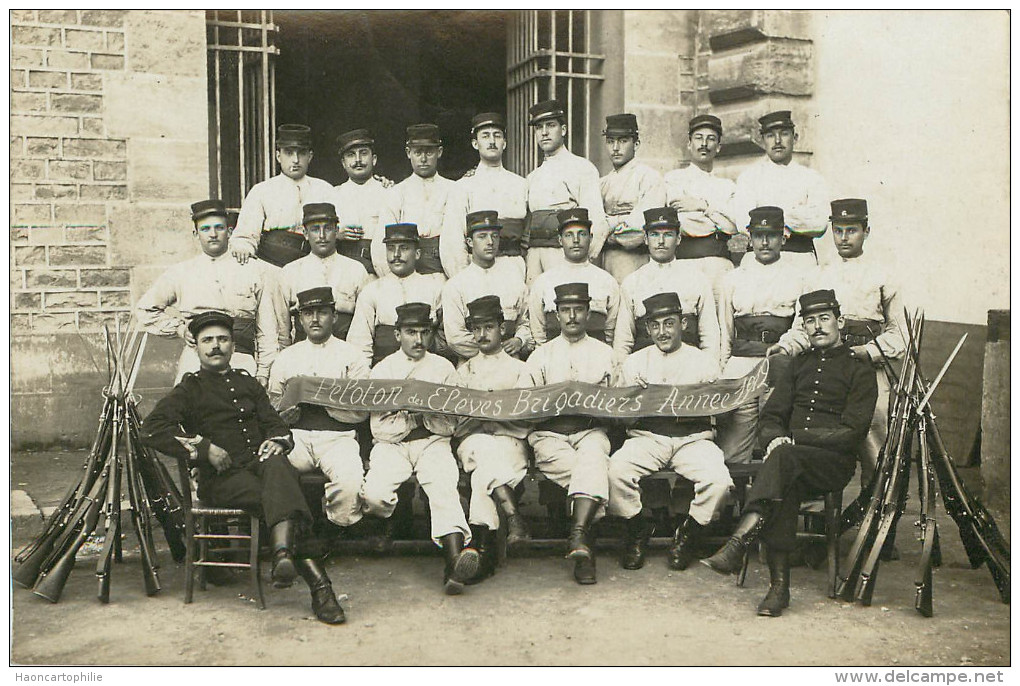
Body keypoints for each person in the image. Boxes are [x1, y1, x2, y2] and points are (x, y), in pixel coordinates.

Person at [140, 311, 347, 625]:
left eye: (222, 339)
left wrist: (278, 440)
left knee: (278, 464)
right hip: (223, 479)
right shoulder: (189, 389)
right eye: (207, 340)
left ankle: (283, 556)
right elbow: (151, 430)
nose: (215, 346)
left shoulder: (247, 383)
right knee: (284, 495)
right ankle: (317, 586)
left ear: (233, 345)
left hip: (261, 467)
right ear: (195, 346)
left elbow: (274, 423)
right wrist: (203, 448)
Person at [702, 289, 878, 617]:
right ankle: (777, 589)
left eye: (824, 319)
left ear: (839, 322)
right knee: (785, 481)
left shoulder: (859, 368)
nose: (817, 327)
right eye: (810, 321)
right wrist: (774, 438)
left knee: (783, 461)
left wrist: (793, 439)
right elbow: (772, 417)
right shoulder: (798, 365)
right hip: (791, 462)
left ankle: (740, 542)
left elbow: (852, 432)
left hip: (833, 463)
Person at [772, 198, 905, 488]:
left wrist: (869, 352)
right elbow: (802, 326)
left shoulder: (883, 275)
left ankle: (874, 507)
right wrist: (786, 347)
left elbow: (900, 333)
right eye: (838, 230)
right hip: (826, 367)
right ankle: (820, 509)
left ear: (866, 231)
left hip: (867, 369)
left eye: (852, 230)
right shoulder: (817, 275)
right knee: (822, 435)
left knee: (873, 438)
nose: (844, 238)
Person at [360, 302, 480, 594]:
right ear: (397, 335)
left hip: (432, 443)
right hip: (393, 446)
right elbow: (380, 429)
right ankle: (394, 520)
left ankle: (453, 562)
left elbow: (450, 425)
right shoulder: (383, 370)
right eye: (410, 332)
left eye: (424, 332)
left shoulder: (443, 368)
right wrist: (419, 416)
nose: (418, 340)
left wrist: (410, 414)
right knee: (374, 494)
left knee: (442, 487)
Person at [609, 292, 733, 571]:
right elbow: (619, 412)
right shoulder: (635, 362)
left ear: (683, 324)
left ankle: (688, 534)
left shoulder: (703, 362)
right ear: (647, 328)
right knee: (614, 472)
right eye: (655, 325)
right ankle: (638, 528)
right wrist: (633, 399)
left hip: (693, 439)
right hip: (648, 437)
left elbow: (722, 410)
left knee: (718, 482)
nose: (662, 331)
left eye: (669, 323)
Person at [135, 199, 283, 386]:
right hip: (195, 360)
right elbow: (145, 309)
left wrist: (263, 371)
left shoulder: (254, 270)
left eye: (219, 228)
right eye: (205, 229)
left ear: (229, 232)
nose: (213, 234)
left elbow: (267, 329)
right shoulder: (181, 272)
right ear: (195, 234)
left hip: (241, 359)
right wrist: (180, 329)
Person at [525, 283, 615, 585]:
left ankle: (578, 538)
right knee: (593, 471)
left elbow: (619, 401)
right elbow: (526, 403)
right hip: (550, 436)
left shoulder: (606, 354)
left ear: (588, 313)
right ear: (556, 315)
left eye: (578, 309)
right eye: (565, 310)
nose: (572, 316)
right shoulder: (541, 356)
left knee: (593, 455)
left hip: (590, 431)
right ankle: (583, 541)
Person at [715, 206, 814, 464]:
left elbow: (802, 327)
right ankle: (737, 501)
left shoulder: (800, 277)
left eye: (772, 235)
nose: (765, 242)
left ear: (784, 236)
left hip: (781, 364)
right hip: (740, 365)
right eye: (759, 235)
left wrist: (785, 348)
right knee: (733, 448)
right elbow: (725, 332)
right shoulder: (732, 279)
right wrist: (723, 370)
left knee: (778, 437)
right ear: (749, 236)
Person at [268, 287, 369, 531]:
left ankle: (333, 529)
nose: (314, 319)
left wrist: (324, 402)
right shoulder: (286, 357)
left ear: (334, 317)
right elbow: (272, 404)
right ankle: (295, 528)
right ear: (299, 319)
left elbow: (363, 410)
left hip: (338, 437)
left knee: (350, 481)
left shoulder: (353, 356)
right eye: (308, 313)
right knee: (273, 470)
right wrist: (284, 417)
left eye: (322, 312)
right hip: (296, 436)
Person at [450, 295, 533, 583]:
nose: (482, 335)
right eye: (476, 329)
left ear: (502, 329)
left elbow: (525, 420)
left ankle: (478, 548)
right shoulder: (464, 371)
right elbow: (458, 423)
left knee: (482, 473)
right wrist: (488, 417)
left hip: (509, 441)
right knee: (482, 454)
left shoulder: (521, 370)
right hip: (474, 442)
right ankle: (513, 519)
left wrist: (490, 418)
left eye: (489, 327)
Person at [614, 207, 720, 363]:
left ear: (678, 239)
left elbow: (709, 334)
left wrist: (707, 371)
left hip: (688, 367)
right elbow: (623, 340)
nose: (661, 241)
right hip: (645, 368)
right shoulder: (632, 282)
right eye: (654, 235)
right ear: (645, 239)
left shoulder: (697, 279)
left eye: (668, 235)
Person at [524, 99, 610, 284]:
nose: (544, 132)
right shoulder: (532, 177)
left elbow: (596, 220)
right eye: (539, 127)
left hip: (564, 255)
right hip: (535, 256)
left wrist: (584, 263)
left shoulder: (581, 168)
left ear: (563, 130)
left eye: (551, 125)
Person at [731, 111, 829, 268]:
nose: (777, 141)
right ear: (762, 141)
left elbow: (819, 223)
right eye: (770, 135)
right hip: (759, 262)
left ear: (795, 138)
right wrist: (797, 216)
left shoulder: (812, 178)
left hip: (800, 257)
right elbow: (744, 222)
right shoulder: (749, 178)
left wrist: (771, 217)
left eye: (784, 134)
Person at [231, 124, 336, 268]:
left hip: (314, 265)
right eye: (289, 153)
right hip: (272, 264)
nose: (296, 160)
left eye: (301, 153)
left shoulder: (324, 189)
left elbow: (338, 230)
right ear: (278, 156)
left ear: (310, 156)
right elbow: (245, 237)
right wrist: (244, 248)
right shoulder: (262, 191)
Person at [440, 112, 528, 279]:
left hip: (514, 269)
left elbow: (529, 237)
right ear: (475, 143)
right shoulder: (463, 187)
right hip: (477, 271)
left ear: (505, 143)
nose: (492, 141)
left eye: (497, 136)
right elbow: (453, 241)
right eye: (485, 136)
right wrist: (464, 278)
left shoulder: (521, 184)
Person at [348, 223, 446, 368]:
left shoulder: (435, 287)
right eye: (391, 249)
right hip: (385, 371)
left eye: (404, 248)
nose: (396, 255)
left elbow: (447, 335)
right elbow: (359, 342)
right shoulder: (372, 291)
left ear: (417, 254)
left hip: (427, 370)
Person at [663, 114, 739, 297]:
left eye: (711, 139)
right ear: (689, 144)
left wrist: (702, 207)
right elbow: (681, 223)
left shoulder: (727, 186)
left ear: (719, 147)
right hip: (684, 262)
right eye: (698, 138)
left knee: (720, 320)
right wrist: (716, 219)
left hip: (718, 264)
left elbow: (733, 226)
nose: (704, 144)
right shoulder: (673, 180)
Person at [442, 210, 532, 361]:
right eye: (482, 236)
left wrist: (519, 340)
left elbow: (525, 322)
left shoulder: (513, 280)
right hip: (472, 364)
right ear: (470, 242)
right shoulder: (456, 285)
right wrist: (494, 351)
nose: (490, 242)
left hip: (512, 360)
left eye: (494, 236)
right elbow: (455, 337)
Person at [277, 202, 370, 344]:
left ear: (337, 231)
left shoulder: (356, 270)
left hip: (345, 350)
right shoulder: (290, 272)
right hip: (303, 354)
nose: (322, 236)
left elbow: (363, 328)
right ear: (305, 234)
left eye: (327, 228)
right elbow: (282, 329)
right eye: (315, 229)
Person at [527, 208, 620, 346]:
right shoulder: (544, 281)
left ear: (591, 238)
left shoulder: (607, 281)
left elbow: (610, 332)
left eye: (582, 234)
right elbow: (538, 332)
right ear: (560, 240)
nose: (576, 240)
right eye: (569, 235)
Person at [377, 123, 455, 277]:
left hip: (443, 270)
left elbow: (457, 242)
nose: (424, 159)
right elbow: (381, 242)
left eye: (429, 152)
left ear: (439, 152)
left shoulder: (453, 190)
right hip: (407, 271)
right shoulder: (397, 192)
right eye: (418, 152)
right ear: (408, 152)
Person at [599, 113, 665, 283]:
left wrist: (609, 229)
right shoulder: (602, 183)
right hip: (605, 261)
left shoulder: (649, 178)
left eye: (623, 141)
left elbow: (640, 229)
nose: (615, 148)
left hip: (636, 261)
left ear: (636, 144)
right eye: (611, 141)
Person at [332, 128, 391, 276]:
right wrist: (336, 234)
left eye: (363, 153)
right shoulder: (333, 195)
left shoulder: (389, 192)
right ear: (343, 163)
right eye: (351, 155)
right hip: (343, 269)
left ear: (374, 159)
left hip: (378, 269)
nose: (358, 160)